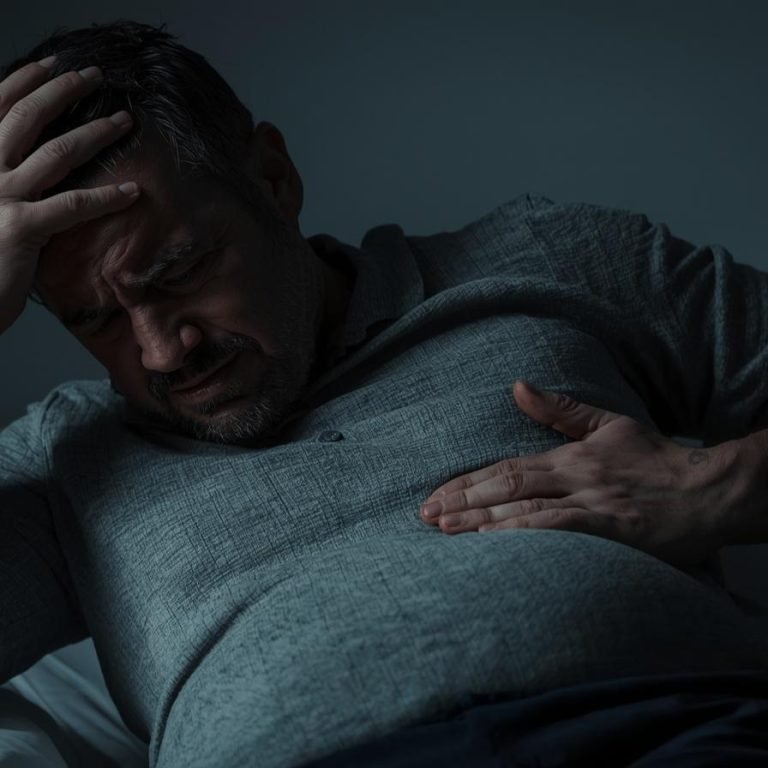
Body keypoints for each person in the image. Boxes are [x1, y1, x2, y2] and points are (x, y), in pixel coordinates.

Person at [2, 19, 768, 768]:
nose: (165, 350)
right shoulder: (64, 458)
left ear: (273, 179)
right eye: (99, 320)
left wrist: (718, 488)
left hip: (670, 724)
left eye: (180, 271)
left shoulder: (549, 256)